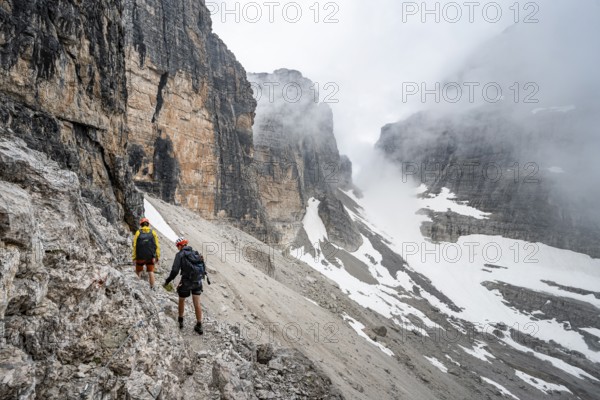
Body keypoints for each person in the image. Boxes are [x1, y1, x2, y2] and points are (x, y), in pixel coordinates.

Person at [164, 237, 205, 335]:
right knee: (197, 303)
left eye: (177, 246)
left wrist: (168, 281)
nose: (177, 248)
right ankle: (199, 325)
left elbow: (175, 270)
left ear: (180, 246)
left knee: (181, 300)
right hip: (197, 282)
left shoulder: (180, 255)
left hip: (186, 282)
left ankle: (181, 320)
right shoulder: (196, 253)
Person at [132, 217, 160, 290]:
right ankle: (152, 287)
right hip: (150, 257)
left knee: (138, 271)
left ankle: (137, 287)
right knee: (151, 271)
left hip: (140, 257)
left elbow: (135, 246)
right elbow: (157, 245)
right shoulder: (153, 232)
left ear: (141, 224)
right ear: (148, 224)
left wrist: (134, 257)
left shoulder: (138, 232)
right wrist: (157, 256)